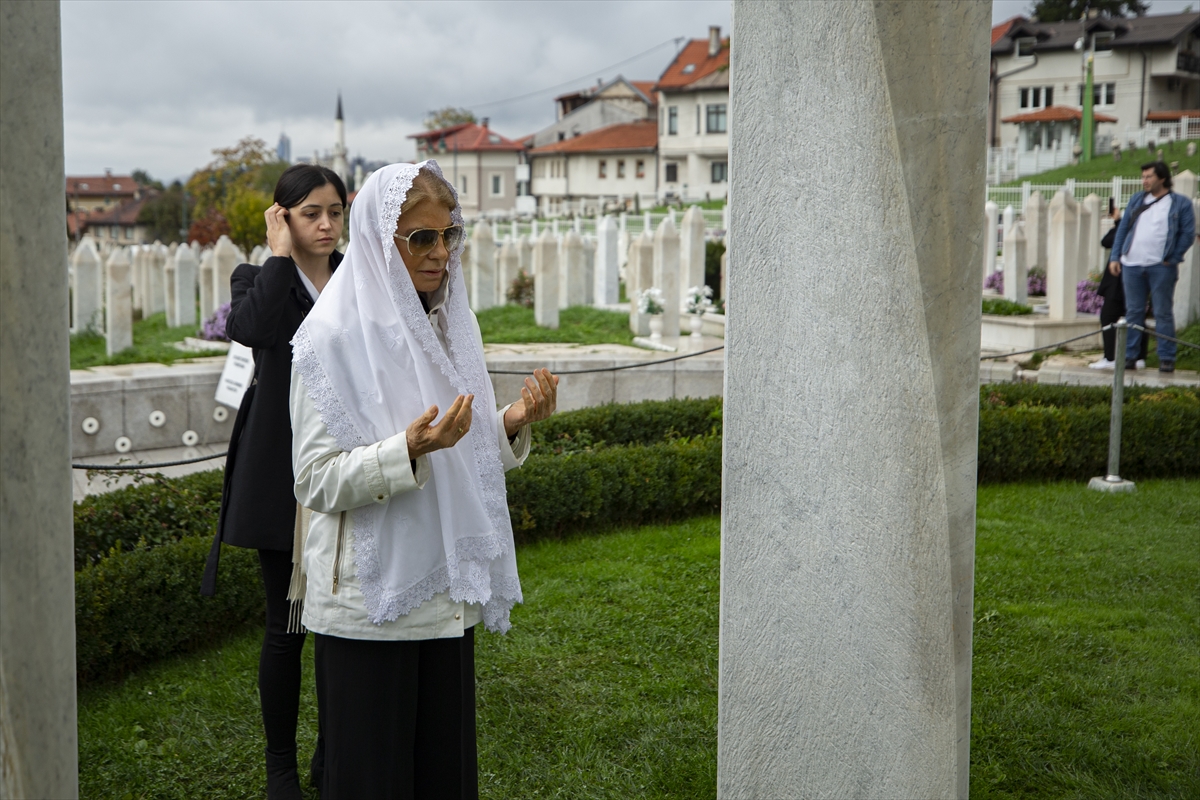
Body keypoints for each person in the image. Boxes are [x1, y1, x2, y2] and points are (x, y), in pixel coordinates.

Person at [289, 160, 559, 798]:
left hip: (444, 596)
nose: (441, 253)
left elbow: (457, 448)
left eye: (449, 235)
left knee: (443, 775)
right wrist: (405, 451)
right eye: (422, 238)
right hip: (369, 602)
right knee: (372, 781)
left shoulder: (444, 326)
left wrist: (511, 420)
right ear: (383, 241)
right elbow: (314, 480)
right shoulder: (327, 340)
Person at [201, 164, 347, 798]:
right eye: (310, 212)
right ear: (283, 216)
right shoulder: (257, 278)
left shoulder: (356, 277)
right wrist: (279, 255)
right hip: (279, 473)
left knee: (341, 621)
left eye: (335, 212)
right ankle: (280, 766)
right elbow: (254, 331)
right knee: (286, 626)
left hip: (347, 463)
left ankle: (332, 751)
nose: (325, 224)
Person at [1107, 161, 1196, 373]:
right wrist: (1115, 256)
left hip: (1161, 266)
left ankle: (1166, 358)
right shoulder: (1137, 199)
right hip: (1132, 264)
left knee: (1163, 312)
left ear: (1162, 178)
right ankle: (1129, 357)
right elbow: (1123, 229)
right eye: (1143, 177)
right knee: (1133, 312)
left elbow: (1188, 233)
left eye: (1149, 177)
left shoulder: (1180, 203)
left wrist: (1174, 256)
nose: (1144, 181)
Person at [1091, 197, 1148, 370]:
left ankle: (1111, 358)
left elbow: (1108, 241)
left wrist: (1119, 223)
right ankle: (1138, 357)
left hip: (1120, 281)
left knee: (1109, 316)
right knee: (1136, 316)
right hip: (1129, 280)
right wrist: (1118, 221)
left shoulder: (1132, 229)